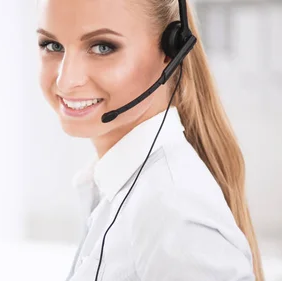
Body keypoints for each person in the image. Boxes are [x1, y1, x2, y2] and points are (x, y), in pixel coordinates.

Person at [35, 0, 264, 280]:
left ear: (171, 51)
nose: (65, 80)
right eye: (52, 46)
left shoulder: (175, 213)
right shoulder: (118, 188)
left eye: (102, 47)